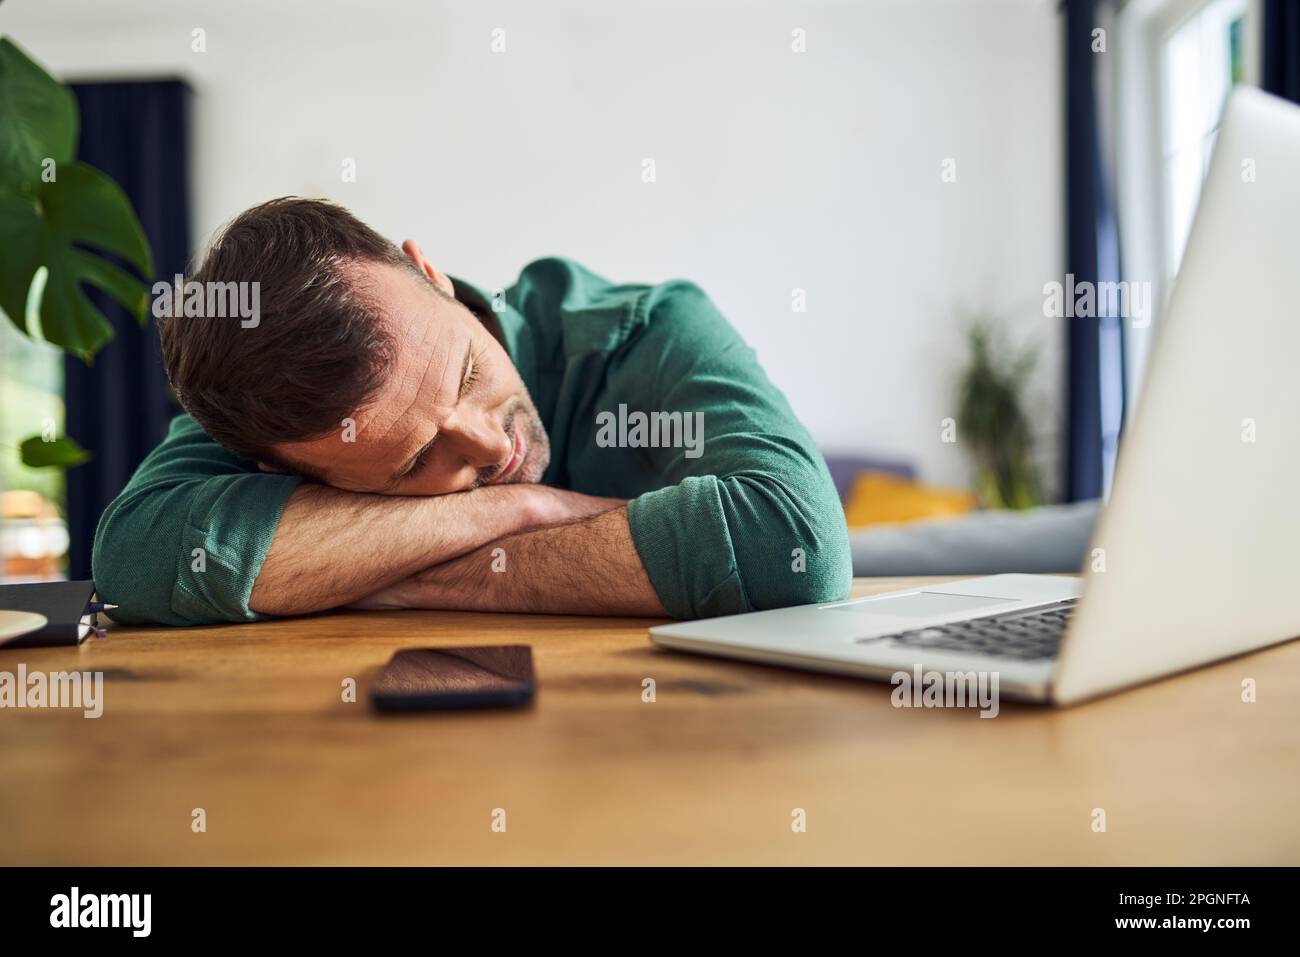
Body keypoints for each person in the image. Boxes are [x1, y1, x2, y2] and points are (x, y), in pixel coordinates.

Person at [93, 198, 851, 625]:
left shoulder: (653, 330)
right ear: (278, 466)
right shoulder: (274, 412)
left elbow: (796, 549)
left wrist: (379, 570)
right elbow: (131, 560)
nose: (491, 446)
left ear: (431, 275)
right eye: (416, 461)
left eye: (468, 371)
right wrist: (526, 508)